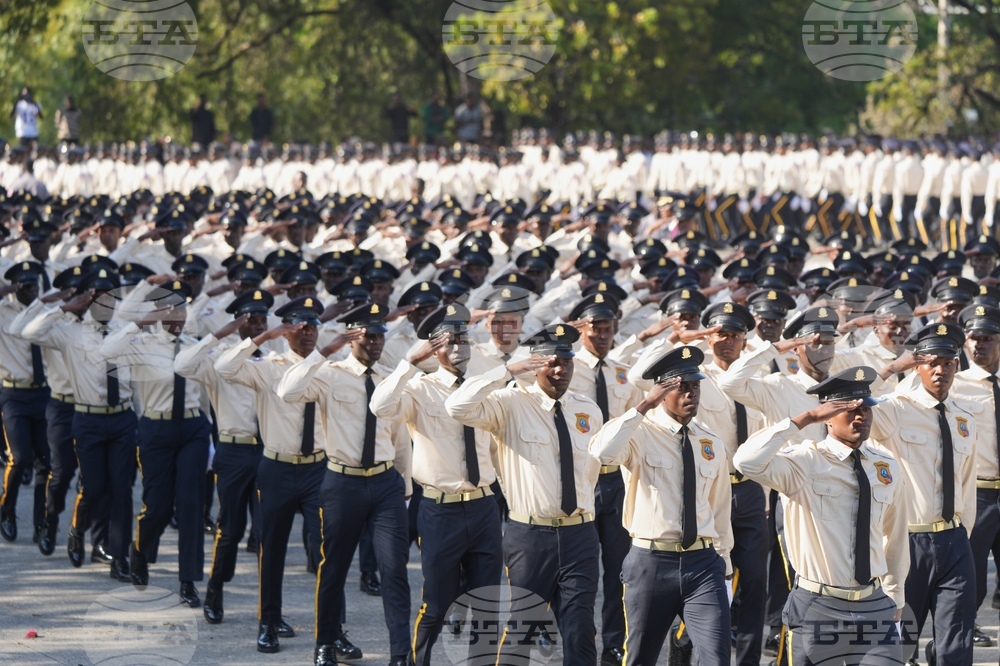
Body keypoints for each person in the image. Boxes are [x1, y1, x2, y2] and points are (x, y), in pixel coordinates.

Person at [446, 323, 604, 664]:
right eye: (551, 362)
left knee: (580, 629)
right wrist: (505, 371)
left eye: (567, 361)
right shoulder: (509, 403)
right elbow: (457, 407)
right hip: (532, 536)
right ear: (535, 364)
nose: (561, 370)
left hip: (579, 533)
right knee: (524, 626)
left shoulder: (587, 410)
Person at [733, 366, 908, 665]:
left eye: (866, 408)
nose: (860, 416)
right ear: (827, 415)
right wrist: (805, 419)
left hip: (873, 602)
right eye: (849, 409)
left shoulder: (886, 465)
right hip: (819, 605)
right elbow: (746, 461)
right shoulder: (805, 461)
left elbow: (895, 535)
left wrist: (896, 595)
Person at [214, 296, 356, 658]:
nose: (308, 332)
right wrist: (263, 338)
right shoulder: (268, 366)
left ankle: (333, 630)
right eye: (299, 325)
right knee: (271, 549)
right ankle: (268, 622)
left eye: (313, 325)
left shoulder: (328, 365)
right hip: (276, 467)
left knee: (329, 550)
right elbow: (224, 367)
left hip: (319, 469)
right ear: (286, 329)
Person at [276, 302, 412, 666]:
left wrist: (407, 484)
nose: (376, 341)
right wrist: (324, 351)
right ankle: (325, 642)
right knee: (334, 566)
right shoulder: (330, 373)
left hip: (385, 483)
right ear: (352, 337)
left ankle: (401, 653)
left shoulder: (389, 378)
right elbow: (287, 392)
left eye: (380, 334)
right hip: (342, 482)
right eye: (368, 334)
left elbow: (399, 436)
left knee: (395, 569)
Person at [370, 303, 503, 666]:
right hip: (439, 509)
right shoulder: (419, 388)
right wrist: (409, 362)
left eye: (463, 337)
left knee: (488, 604)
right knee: (438, 604)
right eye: (448, 340)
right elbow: (380, 407)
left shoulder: (483, 385)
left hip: (483, 505)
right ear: (432, 347)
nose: (458, 346)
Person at [591, 346, 733, 666]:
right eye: (682, 387)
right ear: (662, 391)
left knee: (717, 657)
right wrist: (644, 404)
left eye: (695, 386)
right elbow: (603, 453)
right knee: (640, 657)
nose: (691, 393)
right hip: (651, 563)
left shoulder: (709, 440)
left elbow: (719, 506)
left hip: (703, 563)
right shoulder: (639, 433)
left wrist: (725, 565)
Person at [869, 323, 979, 665]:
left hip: (954, 540)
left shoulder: (964, 417)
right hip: (907, 542)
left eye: (947, 362)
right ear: (917, 366)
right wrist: (889, 369)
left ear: (957, 366)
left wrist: (963, 534)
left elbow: (966, 483)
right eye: (931, 361)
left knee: (956, 641)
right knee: (899, 644)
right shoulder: (895, 409)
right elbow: (849, 401)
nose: (939, 370)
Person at [102, 280, 212, 605]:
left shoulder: (194, 344)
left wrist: (211, 438)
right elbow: (106, 350)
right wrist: (140, 321)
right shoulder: (141, 342)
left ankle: (188, 580)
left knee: (191, 506)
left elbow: (204, 392)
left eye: (181, 307)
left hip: (193, 428)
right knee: (157, 506)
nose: (177, 314)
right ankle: (140, 550)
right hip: (156, 430)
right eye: (170, 308)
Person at [21, 268, 135, 578]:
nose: (103, 302)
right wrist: (62, 308)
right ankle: (75, 528)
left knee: (122, 490)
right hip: (87, 418)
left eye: (109, 296)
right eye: (95, 296)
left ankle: (119, 557)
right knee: (94, 487)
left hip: (123, 418)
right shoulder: (70, 332)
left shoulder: (126, 329)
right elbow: (29, 332)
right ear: (86, 300)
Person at [173, 289, 272, 626]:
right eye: (250, 319)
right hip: (233, 451)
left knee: (265, 532)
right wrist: (218, 335)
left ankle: (268, 612)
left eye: (262, 318)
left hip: (269, 453)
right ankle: (215, 589)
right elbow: (182, 364)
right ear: (238, 322)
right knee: (230, 531)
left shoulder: (275, 357)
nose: (258, 324)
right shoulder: (218, 358)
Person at [566, 293, 643, 666]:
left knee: (618, 568)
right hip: (580, 479)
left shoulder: (621, 371)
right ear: (581, 328)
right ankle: (567, 634)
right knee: (572, 570)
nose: (602, 334)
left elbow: (634, 427)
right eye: (595, 327)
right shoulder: (566, 366)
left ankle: (613, 640)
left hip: (615, 482)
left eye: (608, 327)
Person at [950, 304, 1000, 650]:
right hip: (979, 493)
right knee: (972, 572)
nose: (978, 345)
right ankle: (964, 633)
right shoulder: (955, 384)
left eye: (986, 338)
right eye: (972, 338)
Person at [0, 261, 50, 543]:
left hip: (43, 394)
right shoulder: (2, 312)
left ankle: (41, 522)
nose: (32, 290)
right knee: (19, 459)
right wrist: (4, 291)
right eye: (26, 286)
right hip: (14, 395)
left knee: (46, 462)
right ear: (15, 287)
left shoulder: (45, 311)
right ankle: (6, 509)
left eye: (35, 285)